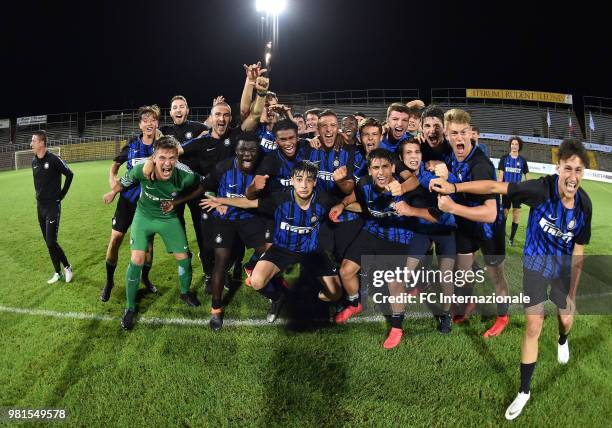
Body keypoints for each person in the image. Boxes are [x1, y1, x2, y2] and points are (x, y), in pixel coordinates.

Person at [430, 139, 591, 420]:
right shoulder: (541, 189)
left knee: (565, 318)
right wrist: (455, 188)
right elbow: (495, 187)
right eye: (568, 168)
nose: (573, 176)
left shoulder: (584, 206)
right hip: (536, 267)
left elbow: (578, 251)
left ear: (583, 173)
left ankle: (563, 339)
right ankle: (524, 390)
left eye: (578, 170)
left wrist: (572, 295)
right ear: (558, 168)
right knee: (533, 325)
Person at [202, 161, 343, 319]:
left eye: (309, 180)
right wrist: (221, 200)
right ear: (291, 180)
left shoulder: (324, 200)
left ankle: (313, 296)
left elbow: (345, 204)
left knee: (336, 294)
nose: (304, 185)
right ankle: (278, 298)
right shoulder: (281, 198)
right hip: (282, 249)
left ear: (315, 182)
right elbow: (249, 203)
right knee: (256, 281)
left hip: (311, 251)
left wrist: (342, 205)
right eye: (299, 179)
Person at [103, 136, 201, 330]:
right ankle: (130, 307)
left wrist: (178, 202)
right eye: (162, 158)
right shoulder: (142, 170)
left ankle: (184, 292)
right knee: (137, 259)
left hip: (169, 219)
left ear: (177, 158)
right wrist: (113, 192)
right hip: (144, 217)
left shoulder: (185, 174)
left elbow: (202, 185)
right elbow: (124, 181)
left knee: (184, 258)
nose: (167, 163)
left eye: (172, 158)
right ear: (154, 157)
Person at [435, 109, 510, 338]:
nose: (459, 138)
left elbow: (489, 213)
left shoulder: (481, 164)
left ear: (471, 133)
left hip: (488, 229)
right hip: (465, 226)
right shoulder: (450, 155)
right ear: (447, 134)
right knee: (464, 272)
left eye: (463, 132)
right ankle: (468, 304)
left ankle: (502, 317)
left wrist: (453, 207)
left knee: (496, 274)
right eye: (454, 133)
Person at [101, 105, 159, 302]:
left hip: (149, 204)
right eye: (146, 120)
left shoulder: (162, 147)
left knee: (149, 245)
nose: (149, 123)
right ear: (140, 125)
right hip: (126, 201)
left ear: (157, 123)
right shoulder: (132, 145)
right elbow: (115, 163)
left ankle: (145, 278)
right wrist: (112, 180)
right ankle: (109, 281)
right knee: (116, 238)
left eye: (153, 120)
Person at [31, 130, 74, 284]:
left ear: (42, 143)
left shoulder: (54, 159)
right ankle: (57, 272)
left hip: (52, 208)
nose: (31, 144)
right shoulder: (34, 161)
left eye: (34, 141)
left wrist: (61, 195)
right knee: (48, 243)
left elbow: (70, 174)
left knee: (51, 242)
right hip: (40, 208)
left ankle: (67, 267)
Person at [498, 136, 530, 246]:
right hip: (506, 190)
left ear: (519, 146)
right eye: (512, 144)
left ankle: (511, 239)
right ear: (510, 145)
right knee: (504, 213)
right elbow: (501, 176)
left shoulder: (522, 161)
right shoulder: (504, 158)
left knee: (516, 214)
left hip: (517, 192)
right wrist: (499, 188)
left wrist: (530, 188)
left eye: (516, 144)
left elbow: (527, 176)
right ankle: (501, 234)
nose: (514, 146)